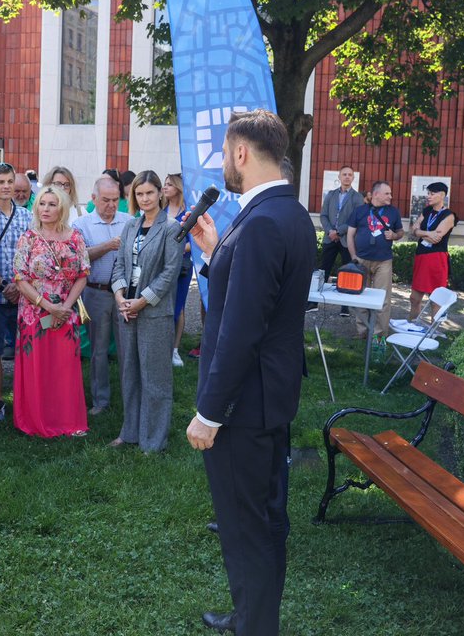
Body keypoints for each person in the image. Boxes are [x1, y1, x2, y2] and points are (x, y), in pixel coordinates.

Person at [185, 110, 315, 635]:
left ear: (241, 152)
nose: (224, 162)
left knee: (248, 528)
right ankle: (248, 616)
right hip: (268, 396)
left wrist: (209, 414)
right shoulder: (288, 212)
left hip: (244, 406)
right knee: (256, 523)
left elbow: (242, 330)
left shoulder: (262, 220)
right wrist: (218, 255)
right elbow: (261, 296)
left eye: (224, 151)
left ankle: (254, 627)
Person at [110, 171, 181, 453]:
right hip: (127, 310)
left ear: (160, 194)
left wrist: (142, 301)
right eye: (139, 194)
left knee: (155, 378)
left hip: (153, 312)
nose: (145, 199)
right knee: (130, 374)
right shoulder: (130, 227)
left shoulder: (172, 228)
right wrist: (119, 297)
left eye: (150, 193)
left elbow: (169, 273)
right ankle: (130, 433)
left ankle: (153, 440)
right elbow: (119, 266)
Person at [11, 186, 90, 438]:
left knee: (64, 368)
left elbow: (83, 275)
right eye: (42, 204)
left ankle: (68, 421)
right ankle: (35, 420)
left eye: (52, 204)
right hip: (34, 312)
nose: (45, 209)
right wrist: (48, 306)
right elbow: (20, 278)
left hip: (67, 312)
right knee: (38, 366)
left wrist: (64, 308)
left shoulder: (75, 237)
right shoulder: (28, 238)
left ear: (62, 208)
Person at [71, 177, 128, 415]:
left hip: (124, 295)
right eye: (106, 200)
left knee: (127, 348)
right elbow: (78, 257)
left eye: (115, 200)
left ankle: (130, 398)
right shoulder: (82, 224)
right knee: (99, 350)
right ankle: (100, 400)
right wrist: (107, 246)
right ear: (93, 199)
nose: (111, 205)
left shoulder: (129, 221)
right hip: (96, 292)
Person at [0, 162, 31, 422]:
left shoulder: (25, 216)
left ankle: (26, 397)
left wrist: (20, 286)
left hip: (24, 295)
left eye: (9, 181)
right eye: (0, 182)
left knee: (26, 348)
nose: (6, 186)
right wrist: (3, 285)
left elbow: (33, 255)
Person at [345, 180, 404, 339]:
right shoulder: (360, 211)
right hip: (362, 260)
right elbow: (350, 235)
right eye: (387, 193)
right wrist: (353, 257)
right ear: (376, 194)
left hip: (383, 261)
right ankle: (362, 332)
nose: (390, 196)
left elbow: (400, 232)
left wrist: (394, 235)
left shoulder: (393, 212)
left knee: (383, 299)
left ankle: (379, 336)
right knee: (360, 296)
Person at [406, 181, 457, 323]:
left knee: (436, 300)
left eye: (432, 193)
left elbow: (436, 238)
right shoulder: (426, 211)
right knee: (414, 298)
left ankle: (434, 333)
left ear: (442, 195)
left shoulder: (449, 215)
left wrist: (419, 232)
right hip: (421, 256)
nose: (428, 196)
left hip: (437, 259)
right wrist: (426, 232)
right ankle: (412, 325)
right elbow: (413, 230)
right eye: (428, 193)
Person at [312, 165, 360, 316]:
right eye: (344, 174)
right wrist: (330, 231)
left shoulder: (357, 197)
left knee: (347, 272)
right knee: (323, 270)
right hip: (329, 238)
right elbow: (323, 215)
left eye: (350, 175)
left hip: (347, 239)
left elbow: (356, 219)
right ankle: (313, 302)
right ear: (339, 177)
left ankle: (344, 306)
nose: (347, 177)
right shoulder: (331, 195)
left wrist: (339, 231)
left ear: (353, 178)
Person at [161, 173, 194, 367]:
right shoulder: (161, 210)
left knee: (178, 305)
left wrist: (175, 250)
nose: (164, 188)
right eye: (164, 185)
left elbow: (192, 242)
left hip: (181, 265)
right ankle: (162, 346)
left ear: (179, 188)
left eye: (169, 185)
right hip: (162, 264)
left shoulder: (187, 212)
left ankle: (174, 349)